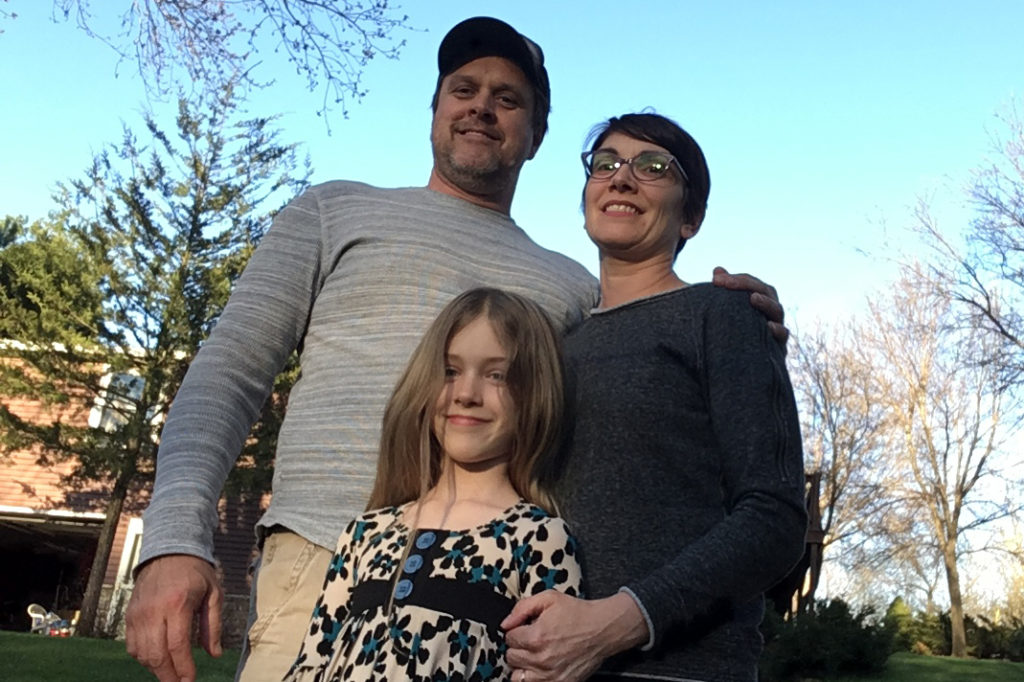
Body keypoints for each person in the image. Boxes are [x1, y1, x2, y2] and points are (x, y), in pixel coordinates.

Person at [124, 17, 787, 682]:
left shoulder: (571, 290)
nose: (481, 107)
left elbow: (644, 371)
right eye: (463, 88)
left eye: (509, 98)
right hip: (321, 564)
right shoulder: (334, 212)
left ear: (536, 135)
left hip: (483, 598)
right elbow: (229, 373)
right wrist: (175, 537)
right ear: (436, 109)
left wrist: (734, 321)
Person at [502, 113, 808, 682]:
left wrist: (618, 621)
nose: (622, 178)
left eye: (654, 167)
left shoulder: (723, 315)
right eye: (606, 163)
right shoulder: (554, 343)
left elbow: (775, 517)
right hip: (538, 666)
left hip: (678, 668)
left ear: (690, 217)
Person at [282, 287, 582, 681]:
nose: (466, 394)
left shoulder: (539, 540)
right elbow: (312, 664)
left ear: (536, 394)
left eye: (498, 375)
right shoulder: (365, 533)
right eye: (450, 371)